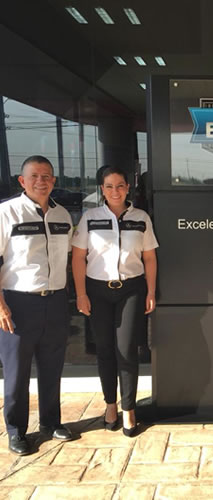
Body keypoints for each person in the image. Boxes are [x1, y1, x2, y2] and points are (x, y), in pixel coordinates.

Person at [71, 166, 158, 437]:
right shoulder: (90, 217)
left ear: (128, 187)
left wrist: (151, 291)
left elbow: (150, 258)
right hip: (97, 291)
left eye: (120, 185)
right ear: (102, 189)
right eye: (109, 186)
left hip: (131, 290)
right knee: (106, 351)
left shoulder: (140, 217)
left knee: (127, 350)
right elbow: (77, 258)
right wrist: (81, 293)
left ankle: (129, 409)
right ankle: (111, 405)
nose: (115, 191)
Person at [0, 155, 74, 455]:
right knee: (17, 372)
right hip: (17, 302)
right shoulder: (7, 213)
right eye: (35, 176)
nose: (41, 181)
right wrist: (1, 306)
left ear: (54, 181)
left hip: (55, 301)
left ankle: (50, 422)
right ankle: (16, 431)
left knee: (52, 366)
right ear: (22, 180)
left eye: (47, 176)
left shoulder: (63, 216)